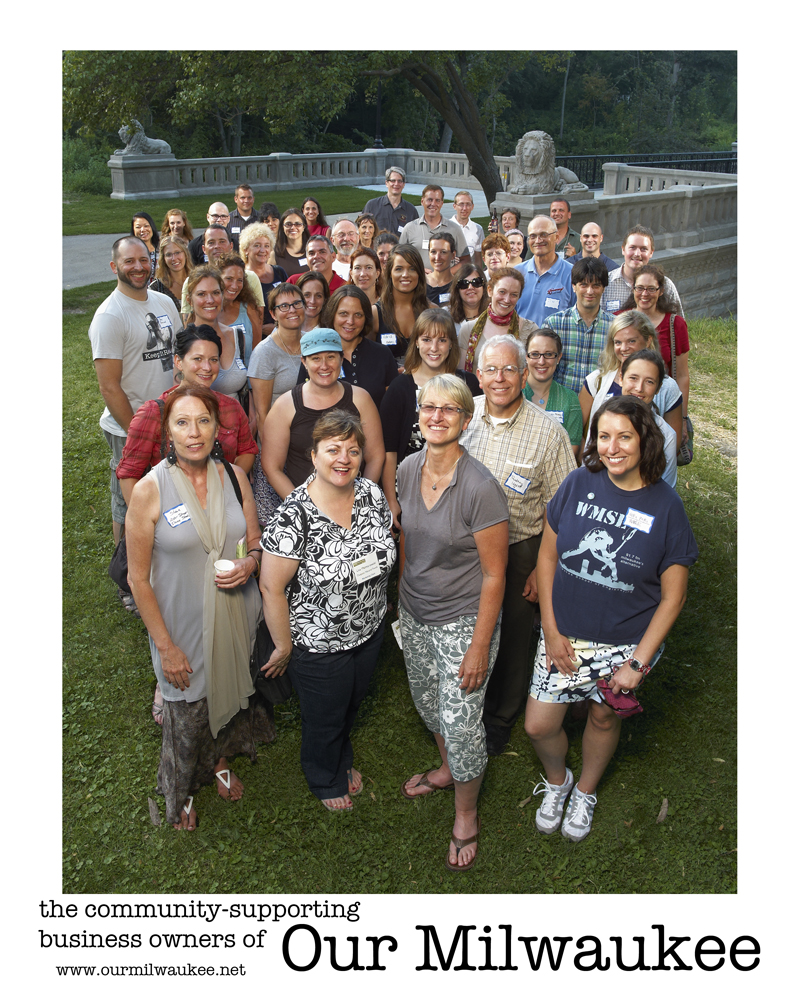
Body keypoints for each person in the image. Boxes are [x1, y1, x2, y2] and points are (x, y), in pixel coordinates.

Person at [524, 394, 697, 842]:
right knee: (539, 725)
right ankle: (559, 780)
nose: (612, 447)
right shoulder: (577, 483)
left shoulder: (667, 507)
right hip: (564, 635)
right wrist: (550, 630)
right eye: (604, 436)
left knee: (603, 718)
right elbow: (548, 558)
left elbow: (673, 598)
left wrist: (638, 663)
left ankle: (584, 791)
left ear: (645, 441)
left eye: (624, 437)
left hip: (626, 643)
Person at [126, 383, 274, 830]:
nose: (194, 432)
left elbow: (255, 542)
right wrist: (166, 647)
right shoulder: (150, 490)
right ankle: (183, 787)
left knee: (229, 697)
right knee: (188, 714)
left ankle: (219, 761)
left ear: (216, 428)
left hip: (236, 614)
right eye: (182, 422)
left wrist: (250, 563)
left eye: (203, 421)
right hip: (182, 627)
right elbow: (137, 579)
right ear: (167, 432)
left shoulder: (233, 477)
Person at [118, 324, 259, 725]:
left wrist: (228, 493)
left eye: (214, 359)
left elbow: (246, 451)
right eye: (197, 358)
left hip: (219, 518)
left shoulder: (227, 407)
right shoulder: (154, 412)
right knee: (180, 620)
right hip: (171, 527)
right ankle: (168, 683)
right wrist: (154, 519)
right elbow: (129, 473)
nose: (207, 367)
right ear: (178, 362)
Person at [397, 373, 509, 871]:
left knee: (462, 724)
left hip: (463, 620)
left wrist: (480, 646)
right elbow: (407, 537)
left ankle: (466, 814)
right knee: (429, 704)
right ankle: (446, 769)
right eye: (429, 407)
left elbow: (495, 574)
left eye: (449, 409)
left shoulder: (481, 488)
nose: (436, 417)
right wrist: (402, 598)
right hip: (414, 611)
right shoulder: (406, 469)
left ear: (466, 420)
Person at [260, 410, 396, 812]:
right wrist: (283, 646)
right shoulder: (294, 516)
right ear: (314, 455)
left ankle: (341, 754)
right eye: (333, 450)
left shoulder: (371, 494)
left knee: (351, 703)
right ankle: (323, 776)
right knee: (324, 717)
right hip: (319, 642)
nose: (344, 459)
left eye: (353, 451)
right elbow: (271, 587)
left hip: (368, 629)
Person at [460, 335, 575, 757]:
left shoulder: (549, 433)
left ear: (524, 375)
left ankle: (499, 718)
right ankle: (462, 701)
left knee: (510, 635)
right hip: (463, 549)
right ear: (478, 375)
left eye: (509, 369)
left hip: (520, 549)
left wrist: (543, 570)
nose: (500, 378)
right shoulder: (462, 416)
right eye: (491, 369)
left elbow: (563, 510)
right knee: (466, 627)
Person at [89, 236, 182, 553]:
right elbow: (109, 386)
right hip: (129, 426)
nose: (138, 267)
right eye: (129, 261)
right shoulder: (109, 316)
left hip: (169, 420)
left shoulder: (164, 302)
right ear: (114, 266)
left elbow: (178, 354)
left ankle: (162, 554)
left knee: (166, 489)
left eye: (143, 259)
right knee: (128, 498)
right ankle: (125, 566)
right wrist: (137, 431)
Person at [380, 309, 481, 527]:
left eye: (442, 340)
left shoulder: (470, 385)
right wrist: (391, 500)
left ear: (451, 344)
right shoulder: (400, 388)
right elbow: (389, 451)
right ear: (416, 342)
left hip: (461, 489)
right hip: (411, 492)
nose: (434, 348)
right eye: (426, 339)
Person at [262, 327, 384, 503]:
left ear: (341, 359)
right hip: (302, 504)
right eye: (316, 358)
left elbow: (375, 456)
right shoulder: (284, 406)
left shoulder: (361, 399)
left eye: (331, 357)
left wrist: (361, 500)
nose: (324, 365)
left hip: (354, 500)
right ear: (304, 362)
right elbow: (272, 467)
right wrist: (303, 507)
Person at [247, 284, 307, 526]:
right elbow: (262, 414)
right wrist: (272, 460)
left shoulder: (310, 343)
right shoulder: (265, 353)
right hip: (279, 450)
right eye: (284, 306)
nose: (292, 310)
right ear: (272, 313)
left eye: (297, 304)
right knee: (281, 522)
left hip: (308, 446)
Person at [580, 310, 683, 446]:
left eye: (631, 341)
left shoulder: (668, 387)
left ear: (648, 341)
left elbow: (673, 442)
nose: (624, 348)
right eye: (618, 342)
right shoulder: (596, 380)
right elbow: (577, 432)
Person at [620, 263, 690, 439]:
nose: (645, 294)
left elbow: (682, 375)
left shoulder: (675, 325)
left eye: (651, 289)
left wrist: (682, 418)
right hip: (625, 401)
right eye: (640, 288)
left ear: (661, 291)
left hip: (664, 403)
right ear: (633, 288)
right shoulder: (619, 320)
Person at [541, 256, 612, 394]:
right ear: (574, 286)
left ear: (604, 288)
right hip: (561, 400)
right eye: (583, 285)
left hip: (600, 402)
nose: (590, 291)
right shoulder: (554, 324)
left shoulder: (614, 327)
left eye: (596, 285)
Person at [320, 285, 398, 408]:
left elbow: (394, 405)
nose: (350, 321)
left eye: (358, 315)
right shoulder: (315, 356)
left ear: (366, 318)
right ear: (332, 314)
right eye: (343, 314)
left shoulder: (382, 354)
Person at [185, 265, 248, 406]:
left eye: (215, 293)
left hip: (237, 417)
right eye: (201, 294)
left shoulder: (237, 335)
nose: (210, 300)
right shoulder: (183, 342)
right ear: (189, 300)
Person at [458, 266, 537, 373]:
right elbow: (462, 377)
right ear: (490, 291)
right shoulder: (468, 330)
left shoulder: (530, 330)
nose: (507, 299)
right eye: (502, 292)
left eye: (514, 295)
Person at [619, 350, 677, 487]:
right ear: (621, 378)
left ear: (658, 388)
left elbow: (666, 489)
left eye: (649, 382)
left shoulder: (666, 435)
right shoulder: (602, 419)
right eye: (633, 378)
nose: (639, 388)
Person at [181, 226, 264, 320]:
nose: (217, 246)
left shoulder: (251, 278)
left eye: (222, 241)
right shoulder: (192, 281)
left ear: (231, 246)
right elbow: (187, 321)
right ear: (204, 249)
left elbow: (258, 319)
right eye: (211, 242)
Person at [523, 328, 583, 458]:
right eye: (535, 354)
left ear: (558, 358)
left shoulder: (570, 399)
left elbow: (572, 449)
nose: (541, 361)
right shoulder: (513, 393)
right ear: (526, 357)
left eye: (549, 354)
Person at [602, 225, 684, 316]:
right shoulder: (604, 283)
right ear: (623, 249)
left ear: (651, 252)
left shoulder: (665, 285)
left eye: (643, 249)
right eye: (632, 247)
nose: (637, 254)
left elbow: (677, 321)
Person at [514, 217, 576, 326]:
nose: (538, 240)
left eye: (544, 235)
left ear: (556, 237)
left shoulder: (572, 274)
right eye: (533, 236)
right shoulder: (517, 273)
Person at [378, 245, 430, 362]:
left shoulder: (431, 311)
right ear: (390, 273)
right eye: (399, 269)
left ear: (419, 273)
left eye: (412, 269)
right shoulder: (376, 314)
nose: (405, 274)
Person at [399, 184, 469, 270]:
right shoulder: (410, 228)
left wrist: (447, 274)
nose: (433, 204)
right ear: (422, 201)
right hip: (417, 278)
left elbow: (466, 260)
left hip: (446, 278)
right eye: (430, 200)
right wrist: (420, 271)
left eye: (437, 200)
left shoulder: (454, 229)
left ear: (442, 203)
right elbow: (399, 258)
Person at [217, 252, 263, 366]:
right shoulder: (207, 312)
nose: (234, 286)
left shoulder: (249, 309)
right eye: (229, 279)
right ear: (217, 278)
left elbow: (257, 353)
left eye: (239, 280)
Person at [238, 222, 289, 317]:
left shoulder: (279, 272)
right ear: (246, 249)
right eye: (257, 245)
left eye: (266, 246)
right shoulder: (241, 277)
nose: (262, 250)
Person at [362, 165, 419, 235]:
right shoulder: (372, 206)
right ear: (386, 183)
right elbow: (361, 231)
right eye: (393, 181)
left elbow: (416, 236)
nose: (396, 184)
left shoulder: (411, 210)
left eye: (399, 181)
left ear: (403, 184)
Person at [150, 235, 192, 311]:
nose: (174, 258)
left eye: (177, 252)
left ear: (185, 254)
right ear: (163, 259)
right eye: (168, 255)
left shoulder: (198, 280)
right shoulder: (155, 288)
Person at [448, 264, 489, 336]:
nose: (470, 287)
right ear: (457, 289)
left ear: (484, 287)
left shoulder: (494, 315)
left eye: (476, 282)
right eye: (464, 283)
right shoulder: (446, 316)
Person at [268, 208, 310, 278]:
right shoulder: (275, 255)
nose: (293, 227)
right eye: (288, 224)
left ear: (304, 227)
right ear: (283, 227)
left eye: (297, 224)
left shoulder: (312, 250)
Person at [450, 190, 485, 265]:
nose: (464, 208)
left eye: (468, 204)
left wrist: (478, 271)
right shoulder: (446, 226)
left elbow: (478, 258)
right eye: (461, 204)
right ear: (454, 206)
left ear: (472, 207)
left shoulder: (478, 229)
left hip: (469, 270)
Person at [425, 233, 456, 306]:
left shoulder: (458, 286)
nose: (437, 257)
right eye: (433, 252)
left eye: (443, 252)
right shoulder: (419, 283)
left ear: (453, 255)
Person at [131, 211, 159, 278]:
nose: (143, 230)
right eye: (138, 227)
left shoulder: (162, 250)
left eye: (146, 226)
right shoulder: (130, 253)